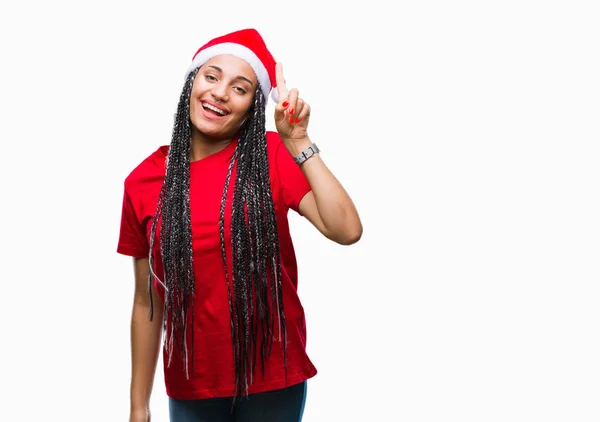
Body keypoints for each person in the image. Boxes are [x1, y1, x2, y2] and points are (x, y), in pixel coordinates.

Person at [117, 28, 362, 422]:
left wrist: (299, 142)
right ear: (191, 84)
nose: (219, 92)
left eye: (240, 87)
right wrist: (137, 407)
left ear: (251, 106)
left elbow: (346, 229)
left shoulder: (272, 156)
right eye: (211, 77)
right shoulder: (143, 181)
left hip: (272, 378)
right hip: (191, 381)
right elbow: (148, 302)